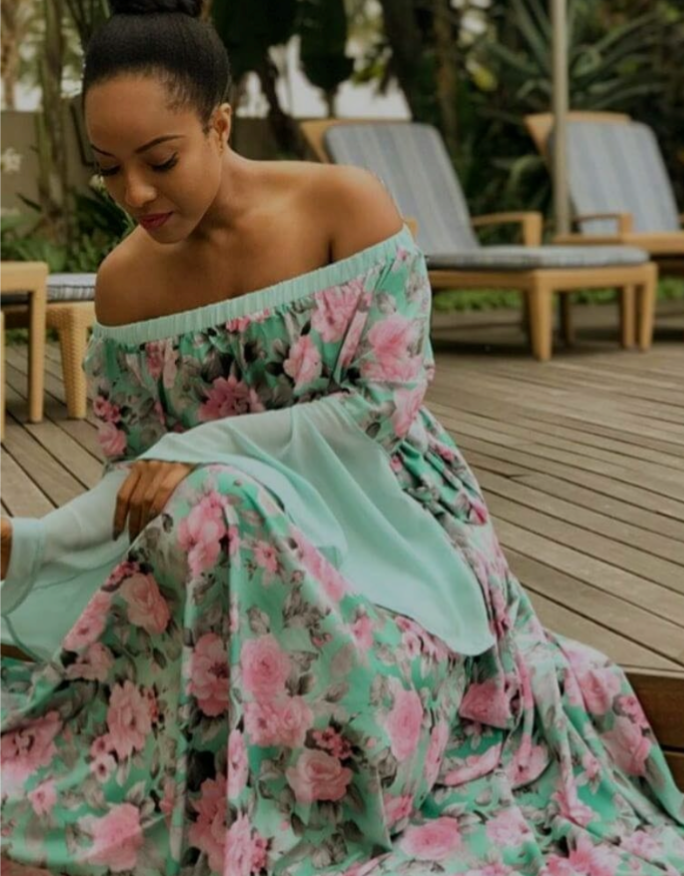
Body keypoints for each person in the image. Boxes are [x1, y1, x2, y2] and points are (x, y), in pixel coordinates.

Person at [1, 1, 683, 874]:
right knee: (221, 503)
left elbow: (381, 404)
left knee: (224, 491)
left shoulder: (341, 205)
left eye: (160, 161)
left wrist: (202, 450)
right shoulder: (126, 282)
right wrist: (36, 542)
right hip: (233, 545)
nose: (135, 194)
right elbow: (143, 481)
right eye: (109, 170)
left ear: (219, 124)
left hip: (390, 520)